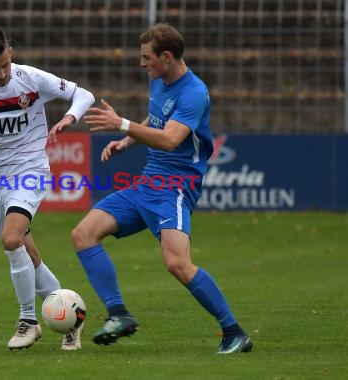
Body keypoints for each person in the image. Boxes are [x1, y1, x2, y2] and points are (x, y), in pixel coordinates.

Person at [69, 22, 253, 354]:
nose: (142, 63)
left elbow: (170, 139)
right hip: (146, 184)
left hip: (175, 187)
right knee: (83, 235)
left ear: (166, 57)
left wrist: (123, 123)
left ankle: (234, 332)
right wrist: (128, 139)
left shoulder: (194, 92)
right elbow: (157, 120)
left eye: (146, 57)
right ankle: (119, 315)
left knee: (177, 263)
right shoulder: (161, 82)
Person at [0, 27, 95, 350]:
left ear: (11, 52)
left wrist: (69, 117)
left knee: (11, 240)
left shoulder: (31, 78)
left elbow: (84, 95)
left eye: (3, 66)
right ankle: (72, 318)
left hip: (28, 170)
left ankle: (28, 321)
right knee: (28, 253)